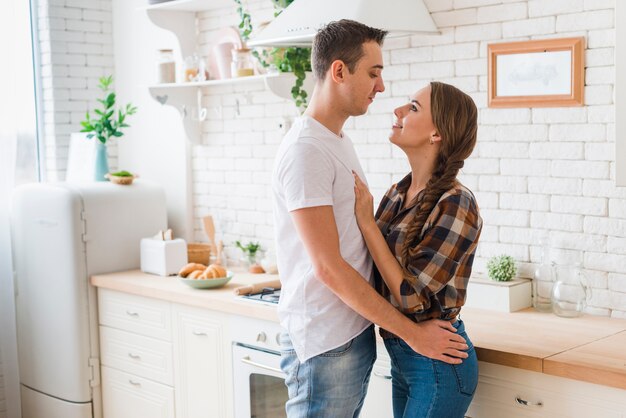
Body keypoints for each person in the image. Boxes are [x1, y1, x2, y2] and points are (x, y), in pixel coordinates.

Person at [271, 20, 469, 418]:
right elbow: (328, 268)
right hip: (326, 342)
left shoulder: (338, 142)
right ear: (339, 71)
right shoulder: (306, 150)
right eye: (373, 73)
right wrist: (413, 335)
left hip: (353, 336)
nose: (381, 87)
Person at [352, 81, 482, 418]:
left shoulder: (457, 202)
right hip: (404, 353)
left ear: (436, 133)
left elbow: (412, 297)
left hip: (437, 364)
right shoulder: (399, 191)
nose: (398, 111)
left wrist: (367, 224)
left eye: (412, 107)